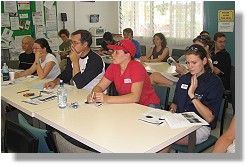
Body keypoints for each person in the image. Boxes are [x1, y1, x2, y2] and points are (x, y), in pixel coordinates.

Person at [159, 44, 224, 153]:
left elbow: (209, 118)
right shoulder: (184, 79)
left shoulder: (214, 82)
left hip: (199, 127)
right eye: (188, 63)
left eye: (194, 63)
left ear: (204, 61)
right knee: (157, 133)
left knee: (164, 138)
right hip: (180, 121)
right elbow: (175, 103)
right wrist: (172, 111)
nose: (190, 67)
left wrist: (192, 95)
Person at [87, 39, 160, 109]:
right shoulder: (114, 66)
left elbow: (135, 97)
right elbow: (100, 87)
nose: (112, 54)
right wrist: (94, 95)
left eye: (117, 52)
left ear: (127, 55)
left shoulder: (137, 67)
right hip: (129, 104)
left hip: (148, 105)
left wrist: (107, 98)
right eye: (113, 51)